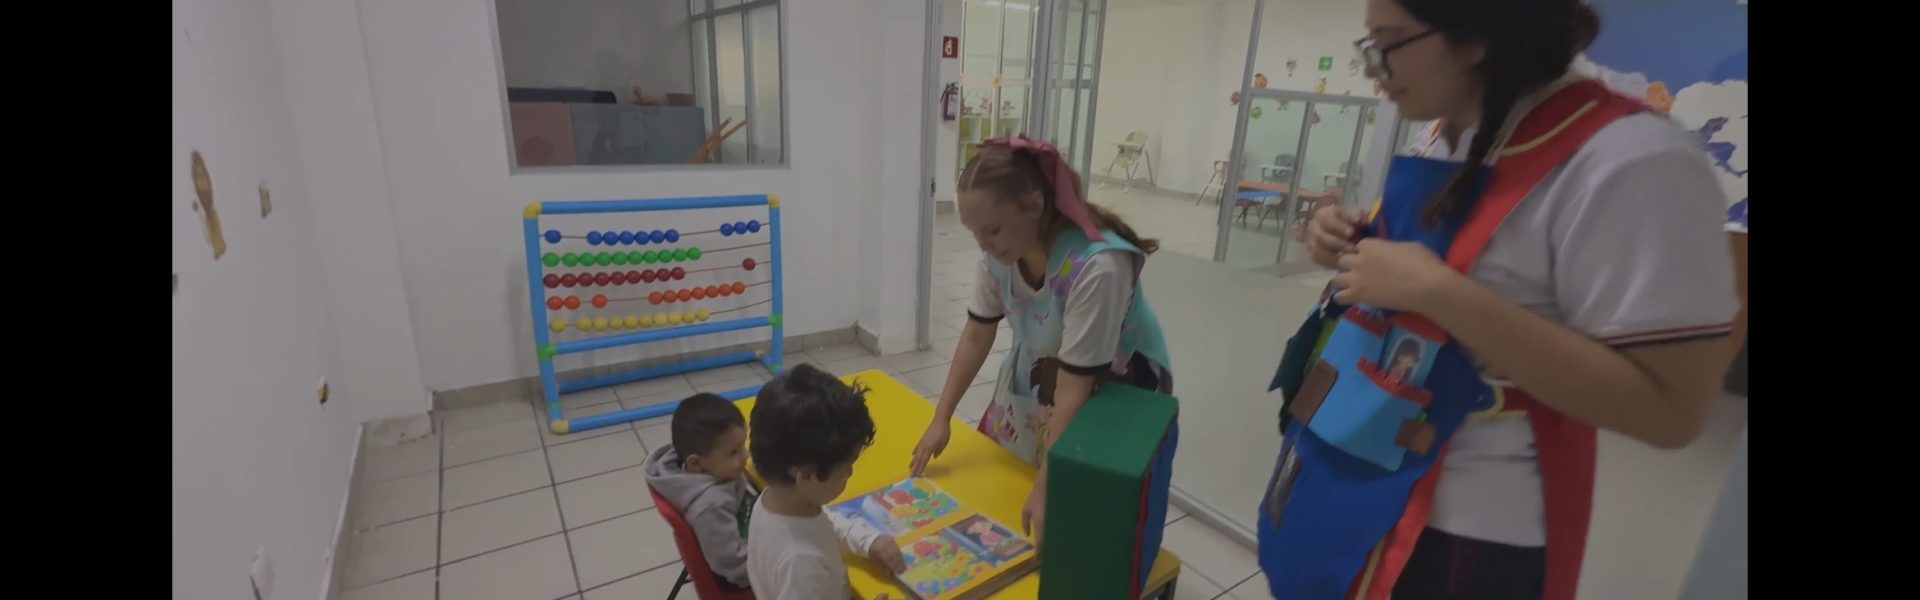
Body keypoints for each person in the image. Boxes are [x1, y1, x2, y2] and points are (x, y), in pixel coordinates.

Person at [1258, 0, 1740, 598]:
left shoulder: (1633, 159)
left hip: (1466, 530)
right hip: (1359, 462)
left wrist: (1439, 293)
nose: (1372, 67)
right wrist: (1347, 237)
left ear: (1477, 35)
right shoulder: (1454, 130)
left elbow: (1671, 412)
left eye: (1390, 41)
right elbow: (1453, 262)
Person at [907, 135, 1177, 559]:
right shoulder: (1000, 253)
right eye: (975, 233)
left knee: (1084, 517)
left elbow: (1075, 386)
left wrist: (1049, 485)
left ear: (1034, 204)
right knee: (1011, 484)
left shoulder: (1098, 266)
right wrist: (940, 418)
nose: (985, 244)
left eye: (992, 230)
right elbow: (978, 333)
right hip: (1047, 373)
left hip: (1115, 391)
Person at [747, 365, 906, 600]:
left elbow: (823, 522)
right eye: (846, 466)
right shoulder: (800, 564)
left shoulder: (777, 500)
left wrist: (868, 541)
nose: (851, 473)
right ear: (806, 475)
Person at [642, 393, 755, 588]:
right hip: (741, 572)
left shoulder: (697, 465)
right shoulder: (711, 506)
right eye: (733, 452)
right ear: (695, 463)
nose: (745, 456)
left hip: (740, 526)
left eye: (743, 446)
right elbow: (733, 566)